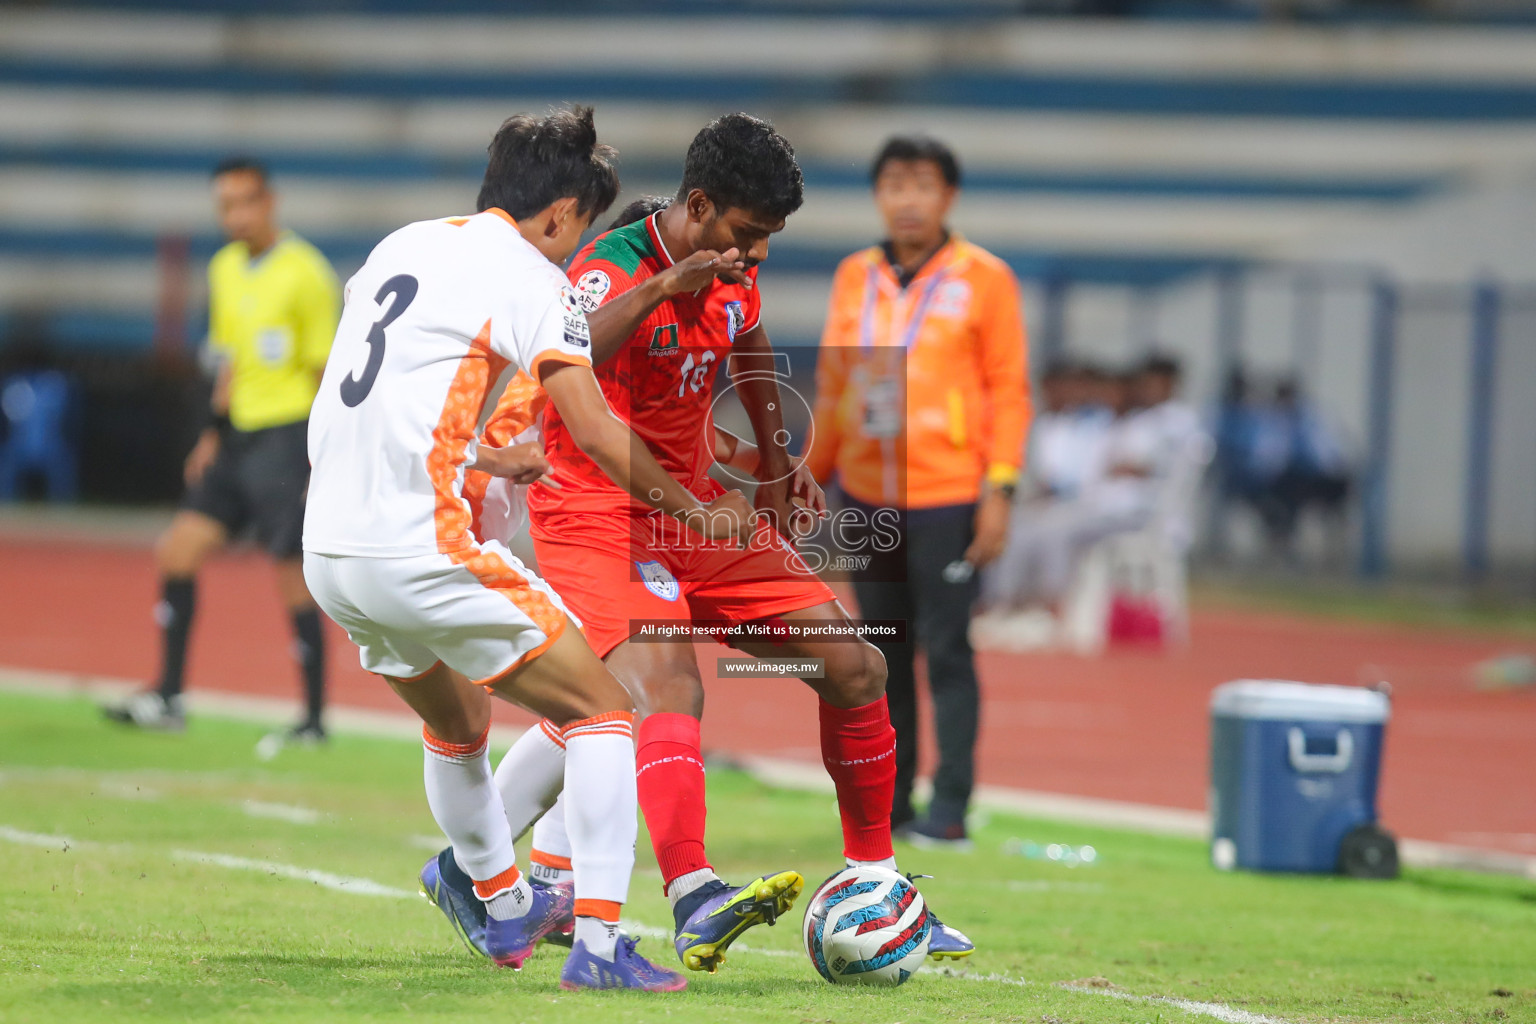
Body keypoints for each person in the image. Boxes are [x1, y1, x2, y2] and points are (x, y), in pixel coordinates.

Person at [426, 115, 974, 975]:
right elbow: (561, 356)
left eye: (769, 239)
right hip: (599, 510)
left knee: (856, 666)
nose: (755, 254)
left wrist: (780, 460)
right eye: (748, 234)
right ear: (701, 204)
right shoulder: (612, 265)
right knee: (662, 682)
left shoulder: (732, 271)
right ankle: (692, 894)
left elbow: (746, 339)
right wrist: (665, 286)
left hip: (700, 511)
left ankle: (879, 879)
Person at [305, 107, 759, 991]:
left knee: (460, 722)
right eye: (581, 226)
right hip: (419, 546)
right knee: (603, 707)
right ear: (560, 213)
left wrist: (479, 451)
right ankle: (597, 946)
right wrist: (694, 512)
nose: (575, 243)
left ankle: (504, 906)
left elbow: (372, 396)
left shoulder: (402, 246)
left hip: (332, 547)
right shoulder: (533, 276)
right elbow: (590, 425)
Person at [804, 135, 1031, 848]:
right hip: (868, 494)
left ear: (949, 197)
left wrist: (1000, 490)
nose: (908, 199)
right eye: (894, 185)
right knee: (882, 652)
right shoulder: (855, 276)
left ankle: (952, 806)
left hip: (948, 493)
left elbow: (1009, 389)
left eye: (923, 185)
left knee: (948, 648)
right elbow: (836, 385)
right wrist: (807, 481)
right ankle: (892, 803)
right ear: (877, 196)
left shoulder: (984, 278)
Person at [105, 158, 339, 740]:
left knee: (291, 574)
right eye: (225, 205)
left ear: (269, 202)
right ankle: (168, 696)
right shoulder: (224, 267)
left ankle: (312, 719)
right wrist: (211, 433)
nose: (235, 215)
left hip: (285, 436)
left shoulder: (307, 272)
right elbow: (228, 360)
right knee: (177, 552)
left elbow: (323, 373)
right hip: (236, 438)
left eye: (244, 202)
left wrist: (322, 452)